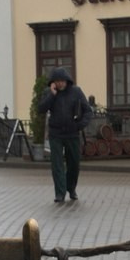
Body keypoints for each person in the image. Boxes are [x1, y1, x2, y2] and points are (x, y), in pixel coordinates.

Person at [34, 69, 93, 204]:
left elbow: (88, 111)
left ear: (67, 81)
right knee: (57, 165)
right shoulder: (49, 93)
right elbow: (41, 109)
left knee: (74, 164)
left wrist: (79, 125)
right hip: (56, 134)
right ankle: (59, 193)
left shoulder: (76, 92)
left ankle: (71, 189)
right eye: (57, 82)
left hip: (72, 133)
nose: (60, 84)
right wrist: (52, 95)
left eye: (62, 81)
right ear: (53, 83)